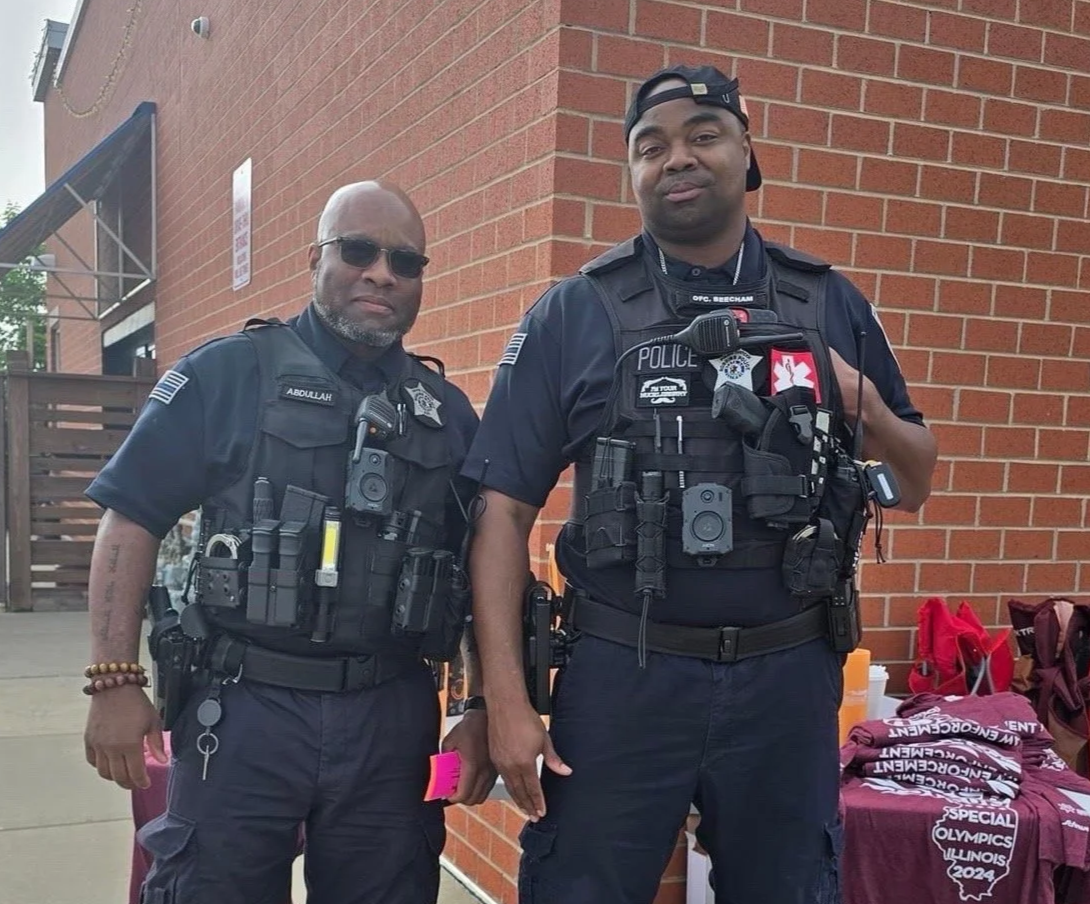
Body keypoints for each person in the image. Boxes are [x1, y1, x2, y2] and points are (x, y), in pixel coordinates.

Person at [465, 65, 938, 904]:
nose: (676, 158)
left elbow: (915, 478)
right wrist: (504, 698)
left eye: (703, 135)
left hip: (788, 679)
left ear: (747, 151)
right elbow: (500, 511)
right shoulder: (574, 315)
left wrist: (856, 398)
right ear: (632, 172)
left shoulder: (828, 303)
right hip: (623, 677)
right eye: (650, 146)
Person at [82, 180, 496, 904]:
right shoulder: (226, 374)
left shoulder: (445, 414)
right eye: (358, 251)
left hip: (390, 716)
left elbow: (478, 568)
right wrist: (114, 680)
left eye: (405, 262)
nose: (382, 274)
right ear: (315, 258)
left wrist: (480, 707)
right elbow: (130, 517)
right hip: (244, 708)